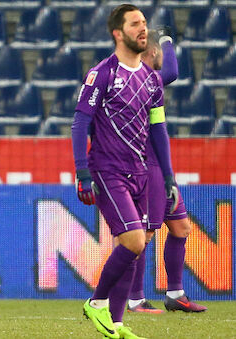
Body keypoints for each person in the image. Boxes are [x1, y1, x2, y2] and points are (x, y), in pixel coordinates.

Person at [71, 4, 176, 339]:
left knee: (137, 244)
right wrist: (82, 172)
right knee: (132, 239)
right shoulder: (102, 73)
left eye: (144, 23)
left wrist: (169, 177)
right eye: (135, 24)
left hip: (141, 172)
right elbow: (80, 123)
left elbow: (158, 130)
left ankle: (115, 324)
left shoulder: (151, 79)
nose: (143, 29)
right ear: (118, 33)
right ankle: (97, 302)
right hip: (107, 170)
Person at [126, 29, 207, 314]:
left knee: (180, 227)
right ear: (150, 53)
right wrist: (167, 38)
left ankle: (175, 294)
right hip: (146, 167)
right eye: (158, 50)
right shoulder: (138, 80)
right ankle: (134, 298)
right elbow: (172, 70)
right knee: (143, 236)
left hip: (160, 168)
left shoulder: (148, 82)